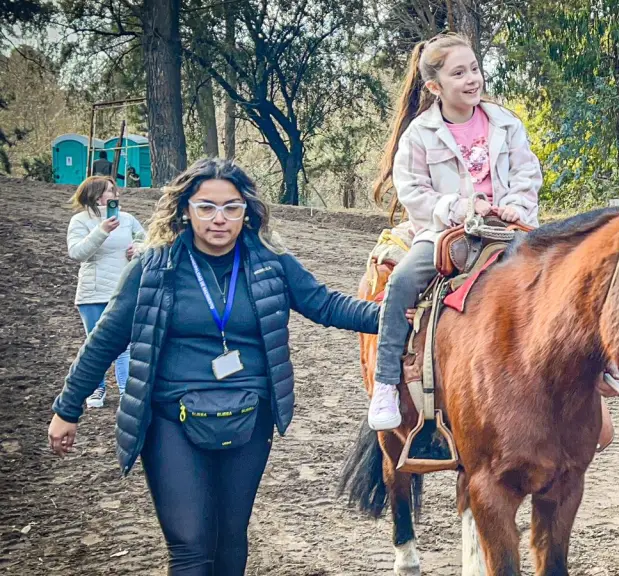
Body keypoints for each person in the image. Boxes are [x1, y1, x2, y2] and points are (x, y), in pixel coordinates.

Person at [47, 158, 380, 574]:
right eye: (206, 207)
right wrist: (67, 408)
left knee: (229, 535)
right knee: (190, 543)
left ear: (247, 211)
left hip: (248, 414)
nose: (219, 219)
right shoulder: (153, 267)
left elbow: (326, 304)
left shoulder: (268, 262)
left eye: (231, 207)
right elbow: (105, 340)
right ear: (185, 209)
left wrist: (391, 316)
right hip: (170, 419)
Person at [365, 32, 542, 430]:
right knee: (402, 282)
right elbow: (413, 192)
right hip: (447, 231)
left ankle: (594, 373)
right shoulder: (419, 135)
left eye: (474, 69)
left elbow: (527, 172)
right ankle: (386, 383)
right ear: (434, 86)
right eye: (458, 73)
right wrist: (460, 208)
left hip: (508, 228)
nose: (471, 79)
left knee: (556, 277)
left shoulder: (505, 123)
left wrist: (516, 203)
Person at [67, 176, 145, 407]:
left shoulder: (128, 219)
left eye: (115, 190)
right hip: (93, 293)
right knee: (95, 343)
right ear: (96, 195)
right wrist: (101, 230)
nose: (115, 194)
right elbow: (77, 253)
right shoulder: (80, 221)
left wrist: (139, 249)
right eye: (110, 191)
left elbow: (147, 240)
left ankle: (125, 391)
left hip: (123, 291)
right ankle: (96, 389)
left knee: (125, 344)